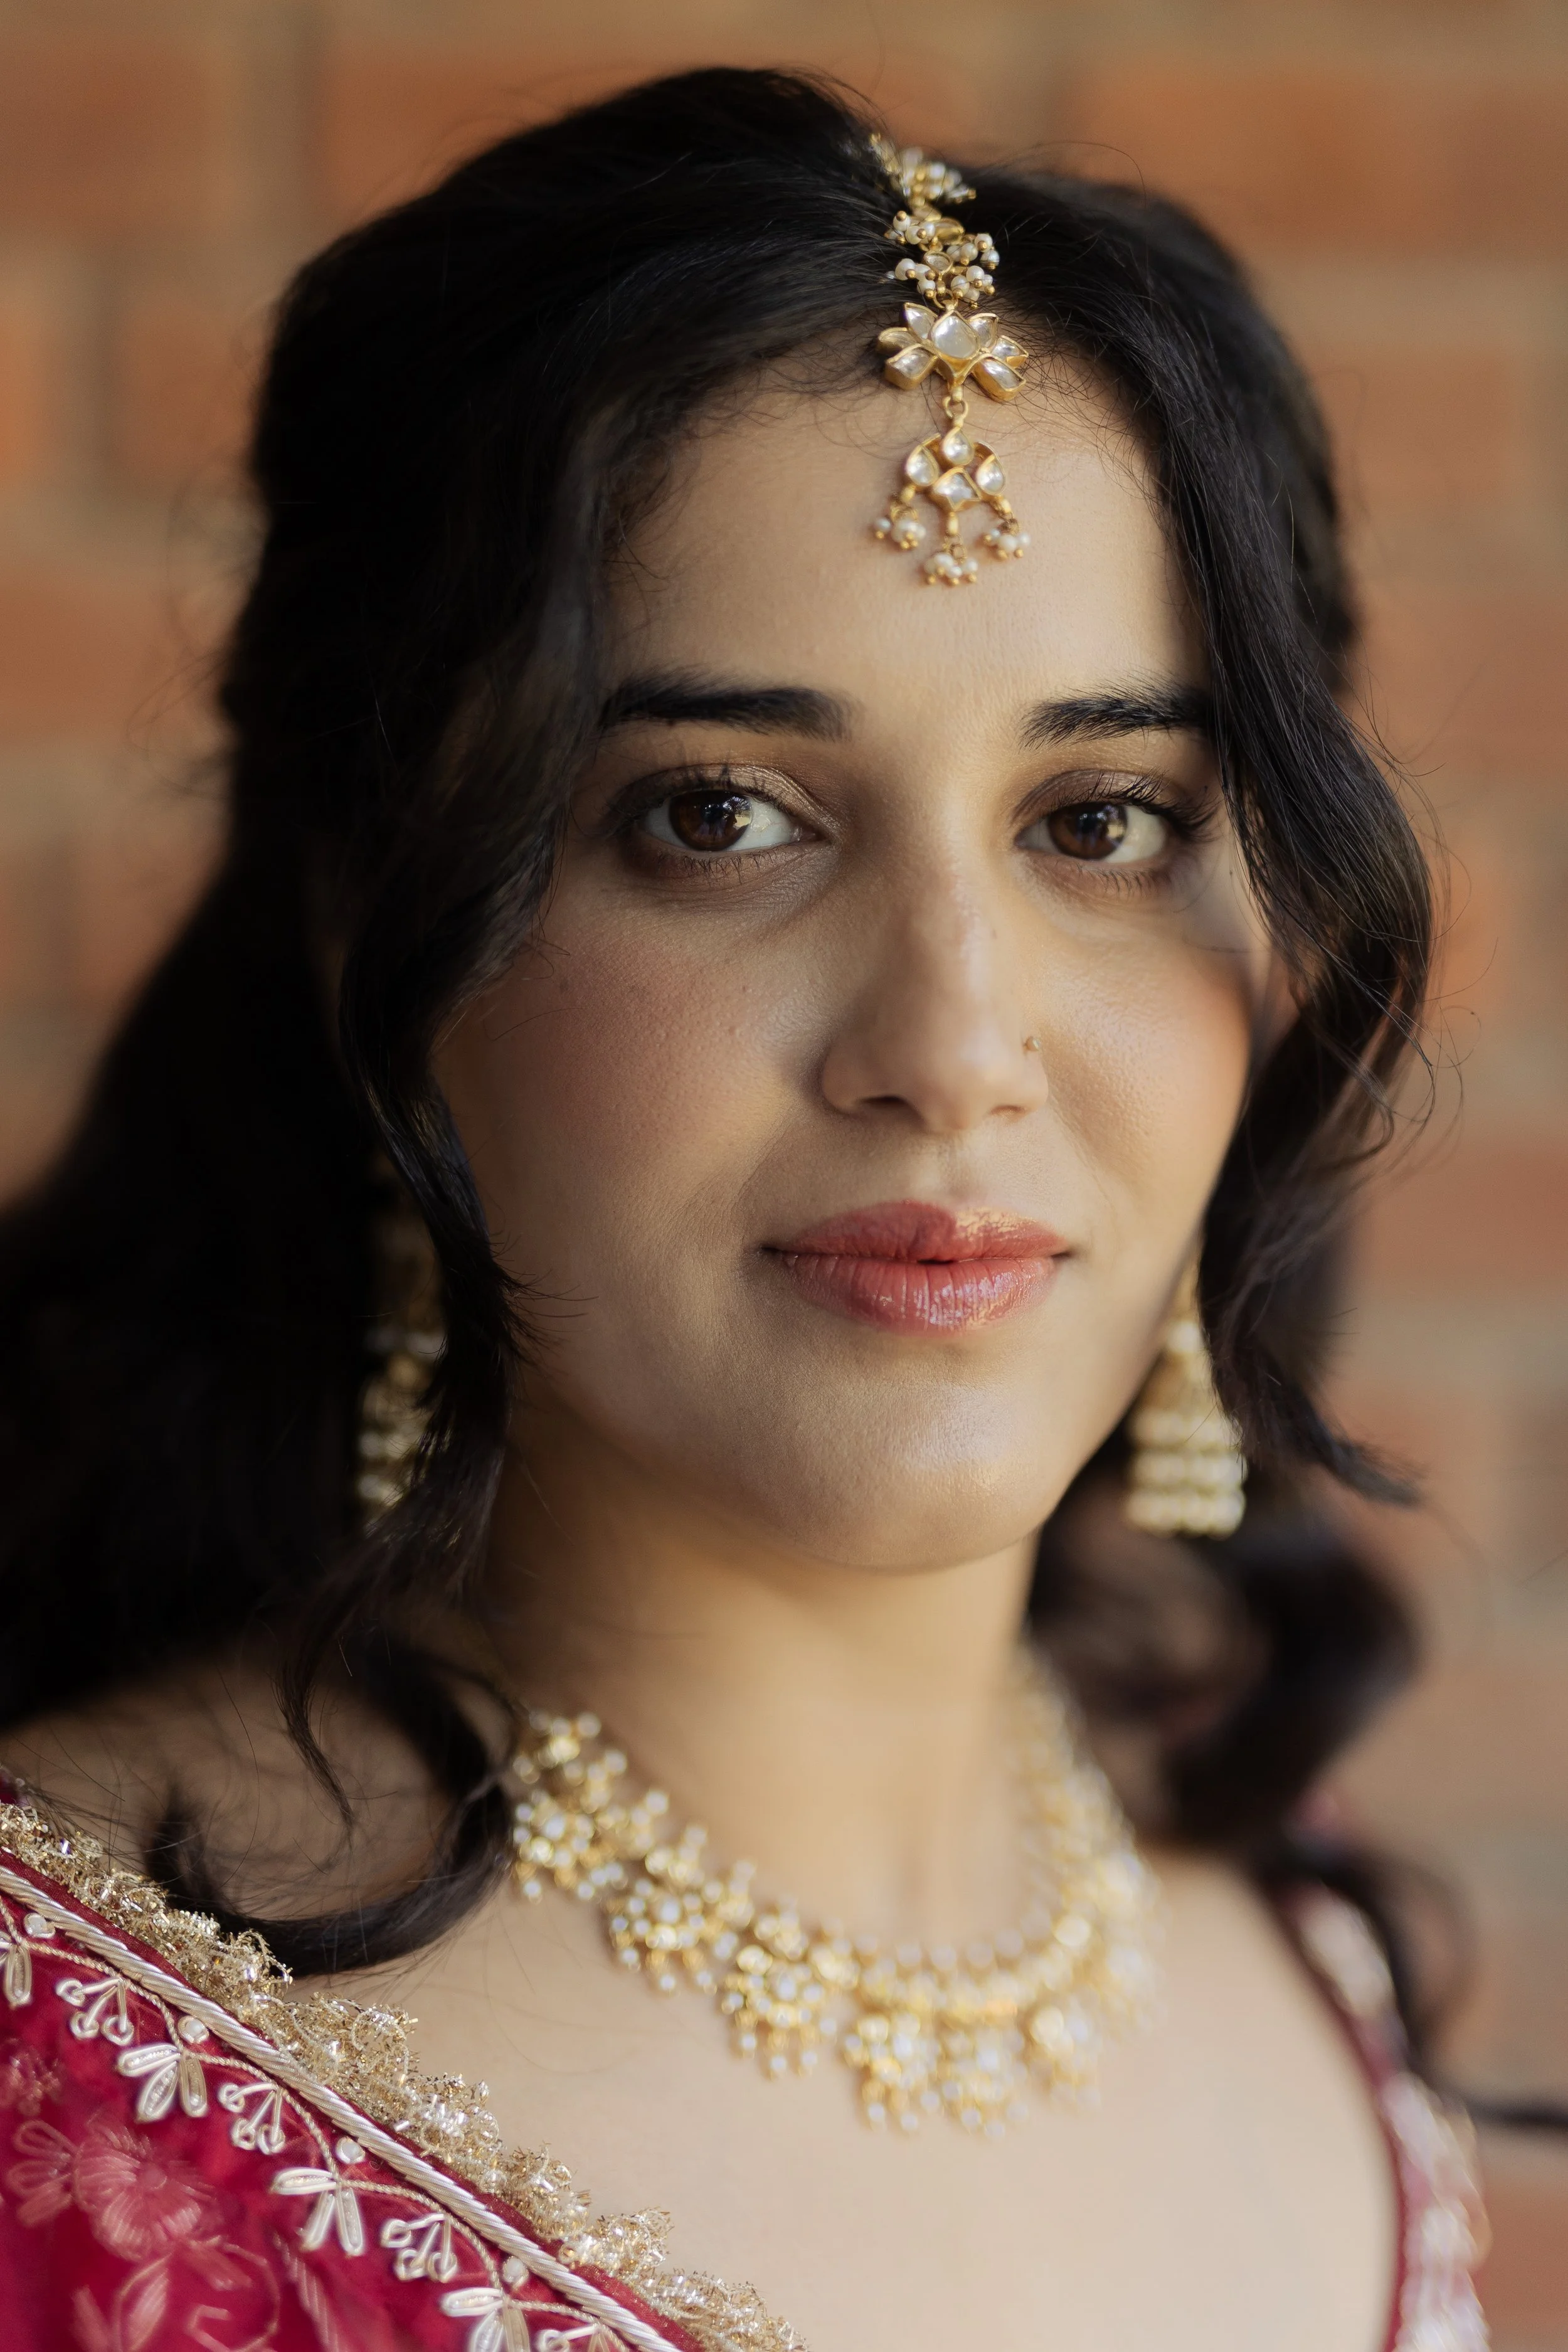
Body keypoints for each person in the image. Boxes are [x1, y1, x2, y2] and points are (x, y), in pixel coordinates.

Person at [0, 66, 1486, 2352]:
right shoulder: (64, 2088)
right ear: (377, 930)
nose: (955, 1037)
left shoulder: (1285, 1927)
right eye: (720, 816)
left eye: (1098, 821)